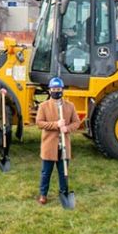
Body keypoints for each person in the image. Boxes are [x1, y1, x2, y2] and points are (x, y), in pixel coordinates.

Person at [35, 77, 80, 205]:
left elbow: (76, 122)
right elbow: (39, 123)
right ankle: (43, 194)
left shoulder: (70, 106)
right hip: (49, 146)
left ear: (62, 90)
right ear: (50, 91)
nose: (56, 91)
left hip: (64, 146)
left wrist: (67, 128)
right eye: (54, 89)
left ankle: (64, 192)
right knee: (46, 172)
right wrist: (56, 125)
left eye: (58, 89)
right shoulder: (43, 106)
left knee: (63, 171)